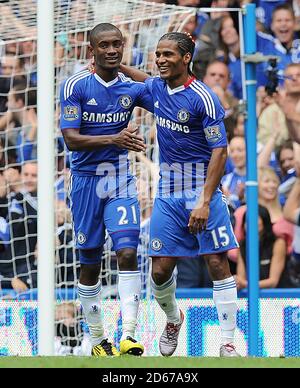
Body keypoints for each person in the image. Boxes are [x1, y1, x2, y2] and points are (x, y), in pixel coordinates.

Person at [120, 32, 240, 357]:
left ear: (186, 58)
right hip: (168, 190)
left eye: (168, 54)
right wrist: (118, 66)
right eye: (158, 54)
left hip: (202, 188)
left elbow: (220, 151)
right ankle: (173, 319)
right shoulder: (157, 88)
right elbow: (145, 81)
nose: (160, 59)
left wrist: (204, 200)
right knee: (159, 269)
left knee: (217, 262)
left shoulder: (204, 97)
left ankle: (228, 341)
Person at [60, 23, 153, 357]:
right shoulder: (75, 85)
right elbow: (70, 138)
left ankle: (129, 334)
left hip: (119, 176)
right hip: (85, 180)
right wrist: (114, 139)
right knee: (90, 262)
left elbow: (160, 87)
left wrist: (123, 68)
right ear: (91, 50)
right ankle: (99, 339)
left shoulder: (130, 87)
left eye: (118, 45)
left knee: (127, 251)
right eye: (105, 46)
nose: (112, 50)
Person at [235, 205, 288, 290]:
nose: (250, 223)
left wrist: (245, 284)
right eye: (246, 221)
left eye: (254, 219)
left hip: (279, 298)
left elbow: (273, 282)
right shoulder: (243, 245)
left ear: (265, 221)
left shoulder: (278, 243)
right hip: (253, 295)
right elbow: (241, 278)